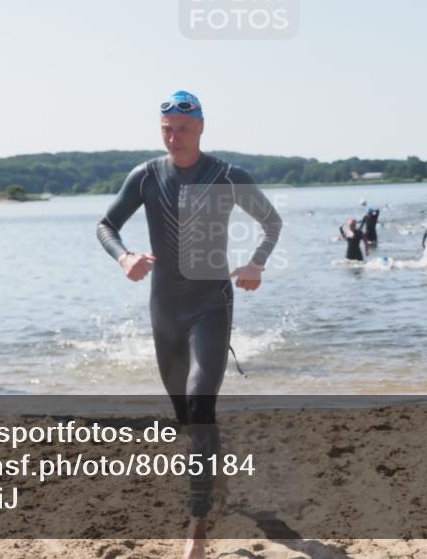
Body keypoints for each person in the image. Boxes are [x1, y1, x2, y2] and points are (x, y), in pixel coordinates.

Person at [96, 90, 282, 559]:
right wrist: (124, 258)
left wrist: (256, 263)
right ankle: (215, 470)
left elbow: (271, 222)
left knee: (201, 400)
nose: (173, 137)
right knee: (188, 416)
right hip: (165, 309)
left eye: (181, 128)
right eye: (166, 129)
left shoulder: (226, 175)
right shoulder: (146, 176)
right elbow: (105, 225)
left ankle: (197, 528)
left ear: (200, 127)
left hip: (210, 305)